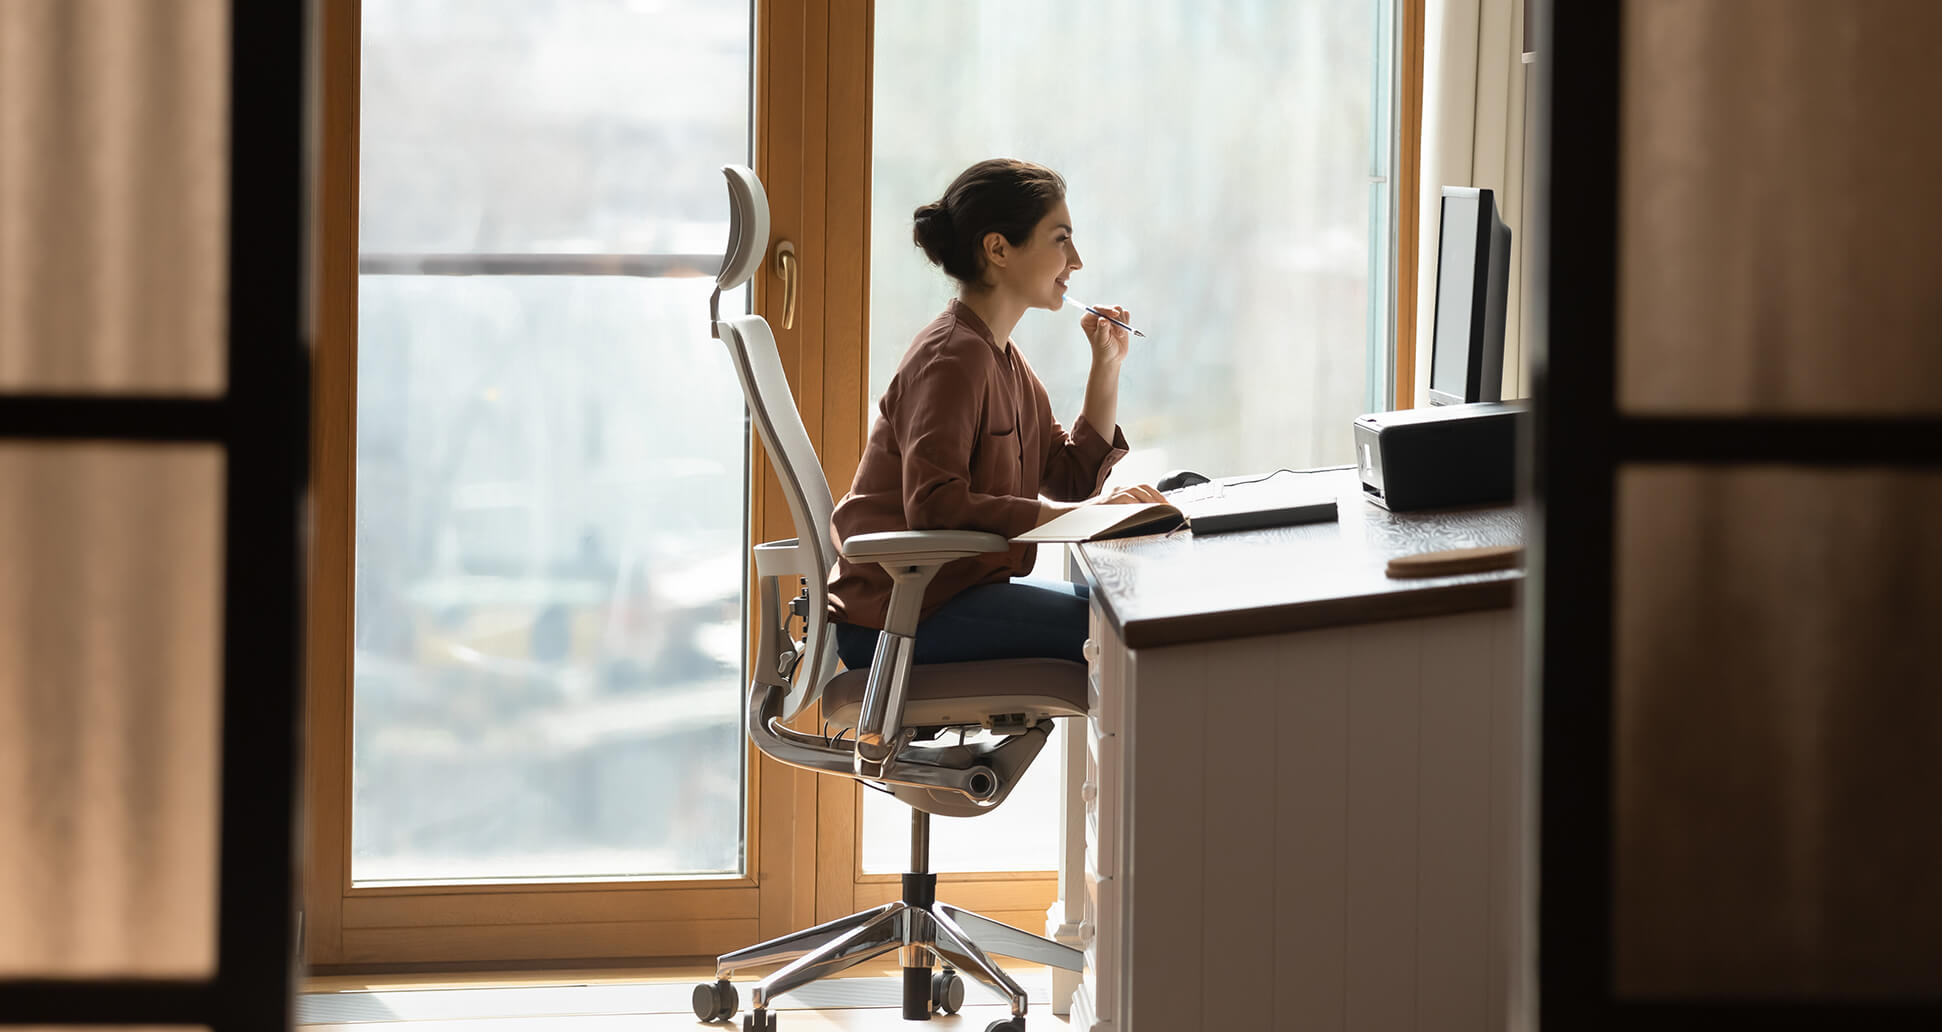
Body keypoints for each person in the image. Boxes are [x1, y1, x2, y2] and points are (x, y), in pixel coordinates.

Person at [826, 158, 1161, 669]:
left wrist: (1106, 366)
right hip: (900, 618)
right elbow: (936, 507)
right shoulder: (951, 359)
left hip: (946, 601)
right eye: (1061, 239)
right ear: (998, 248)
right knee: (1118, 628)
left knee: (1120, 611)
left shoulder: (1002, 357)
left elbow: (1069, 477)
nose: (1077, 260)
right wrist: (1085, 518)